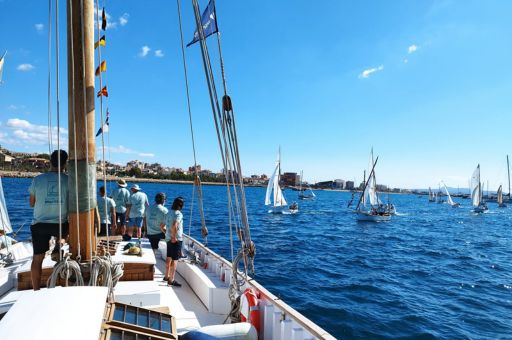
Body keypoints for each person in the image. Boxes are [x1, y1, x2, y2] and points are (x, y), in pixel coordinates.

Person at [29, 149, 69, 290]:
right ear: (65, 163)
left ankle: (35, 290)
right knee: (67, 230)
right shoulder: (69, 180)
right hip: (60, 225)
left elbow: (32, 203)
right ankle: (59, 245)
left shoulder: (37, 179)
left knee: (37, 259)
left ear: (50, 162)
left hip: (39, 224)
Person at [164, 196, 184, 287]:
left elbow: (162, 225)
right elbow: (175, 225)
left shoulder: (168, 212)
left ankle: (166, 276)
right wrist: (174, 237)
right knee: (175, 260)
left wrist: (167, 234)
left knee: (169, 257)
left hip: (168, 237)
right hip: (175, 239)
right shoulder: (178, 214)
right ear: (181, 205)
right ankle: (171, 280)